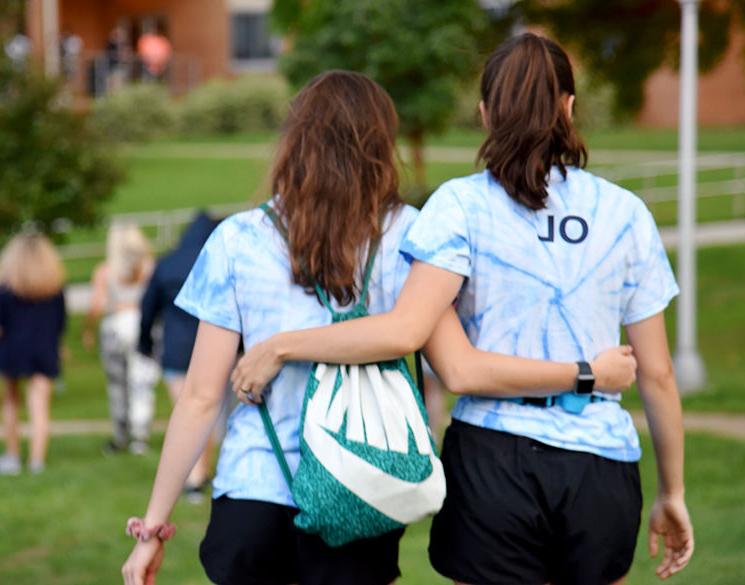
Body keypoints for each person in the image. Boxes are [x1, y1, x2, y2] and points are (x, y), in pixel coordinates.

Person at [121, 70, 636, 585]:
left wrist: (153, 529)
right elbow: (454, 362)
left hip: (254, 489)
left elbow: (199, 397)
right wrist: (584, 371)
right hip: (365, 485)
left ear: (294, 143)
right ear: (379, 145)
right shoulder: (412, 234)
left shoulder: (237, 240)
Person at [232, 34, 694, 585]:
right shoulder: (626, 213)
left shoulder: (458, 206)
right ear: (569, 108)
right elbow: (659, 375)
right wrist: (672, 492)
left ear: (484, 113)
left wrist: (282, 344)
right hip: (599, 466)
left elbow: (442, 358)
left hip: (492, 464)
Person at [138, 212, 220, 502]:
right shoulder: (217, 261)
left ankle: (195, 475)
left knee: (186, 409)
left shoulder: (167, 263)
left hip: (175, 345)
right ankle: (200, 473)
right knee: (207, 408)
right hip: (212, 346)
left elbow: (148, 307)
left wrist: (144, 342)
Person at [84, 223, 158, 455]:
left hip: (115, 326)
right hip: (141, 325)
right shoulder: (149, 269)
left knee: (118, 384)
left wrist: (88, 329)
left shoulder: (105, 271)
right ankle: (140, 435)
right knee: (141, 383)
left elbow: (97, 304)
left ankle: (120, 433)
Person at [0, 233, 66, 475]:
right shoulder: (54, 289)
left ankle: (13, 455)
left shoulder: (7, 290)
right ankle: (37, 460)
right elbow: (61, 322)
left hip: (13, 350)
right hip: (44, 349)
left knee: (11, 402)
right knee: (39, 406)